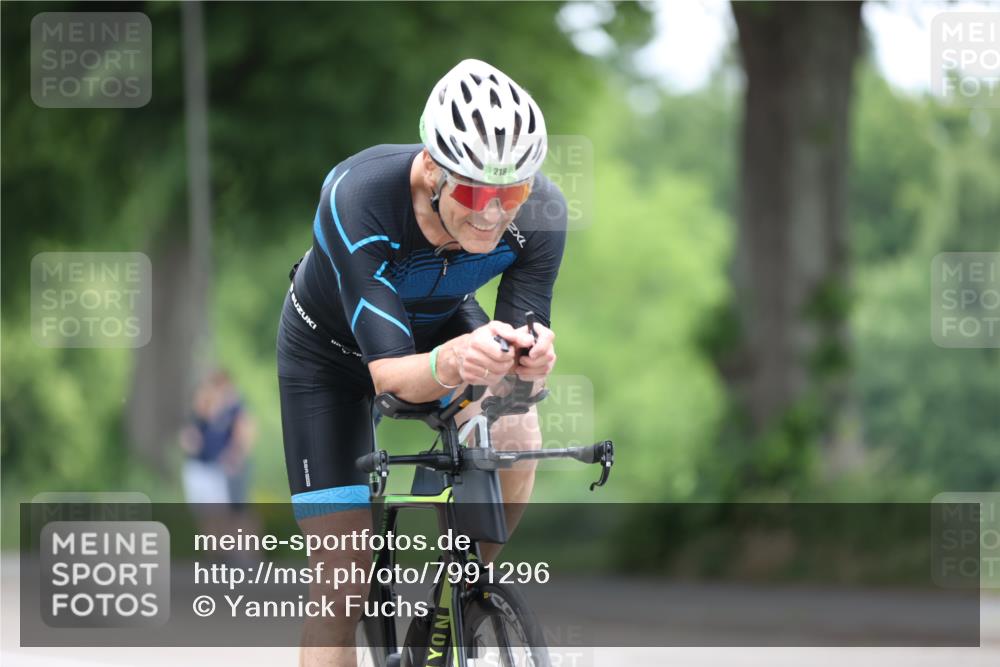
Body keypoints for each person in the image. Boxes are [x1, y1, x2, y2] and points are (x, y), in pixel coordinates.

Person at [276, 59, 565, 665]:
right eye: (474, 192)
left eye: (510, 193)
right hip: (328, 360)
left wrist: (530, 360)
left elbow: (521, 338)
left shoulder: (540, 213)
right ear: (432, 166)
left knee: (516, 420)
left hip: (440, 330)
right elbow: (390, 375)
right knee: (342, 585)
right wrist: (455, 361)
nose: (492, 213)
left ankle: (453, 603)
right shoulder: (359, 197)